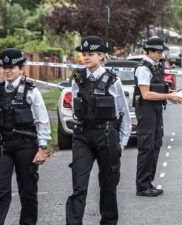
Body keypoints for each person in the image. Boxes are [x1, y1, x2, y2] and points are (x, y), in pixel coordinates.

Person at [0, 48, 51, 225]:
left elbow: (42, 120)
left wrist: (42, 148)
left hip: (25, 145)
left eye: (12, 67)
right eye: (5, 67)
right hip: (1, 146)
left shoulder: (31, 91)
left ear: (21, 69)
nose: (8, 70)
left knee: (28, 191)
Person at [66, 36, 131, 225]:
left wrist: (122, 141)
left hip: (106, 135)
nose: (85, 58)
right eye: (83, 54)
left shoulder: (112, 80)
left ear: (101, 56)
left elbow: (123, 112)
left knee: (108, 185)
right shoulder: (77, 78)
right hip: (83, 136)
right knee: (79, 185)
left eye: (90, 54)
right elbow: (75, 108)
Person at [133, 37, 182, 197]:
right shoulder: (143, 69)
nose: (162, 55)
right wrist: (168, 97)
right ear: (149, 52)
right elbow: (146, 94)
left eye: (162, 52)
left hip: (155, 110)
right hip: (146, 110)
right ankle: (142, 186)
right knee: (146, 147)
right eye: (159, 52)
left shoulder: (155, 67)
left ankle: (149, 183)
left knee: (155, 145)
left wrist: (171, 93)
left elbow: (157, 88)